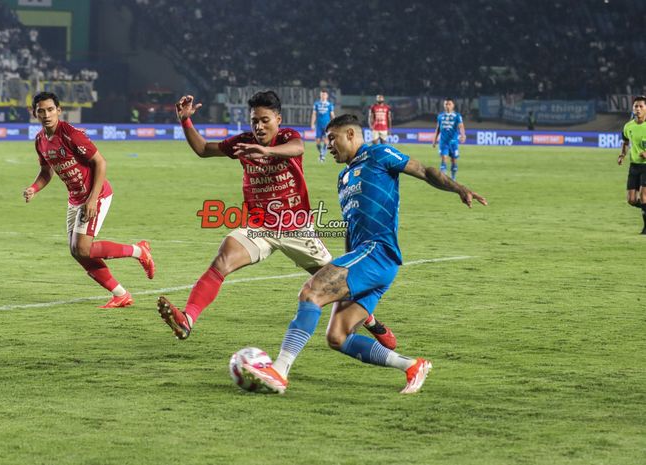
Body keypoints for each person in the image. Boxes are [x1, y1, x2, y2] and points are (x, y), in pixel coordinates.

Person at [242, 114, 487, 394]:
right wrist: (346, 273)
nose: (328, 145)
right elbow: (351, 229)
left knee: (311, 292)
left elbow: (425, 171)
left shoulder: (379, 154)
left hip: (378, 252)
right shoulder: (343, 177)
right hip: (364, 259)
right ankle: (412, 365)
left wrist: (458, 188)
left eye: (332, 138)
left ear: (350, 134)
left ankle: (279, 371)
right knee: (338, 336)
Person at [157, 91, 396, 348]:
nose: (259, 126)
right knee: (222, 261)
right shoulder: (243, 142)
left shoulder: (288, 137)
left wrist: (264, 149)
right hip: (260, 226)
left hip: (298, 230)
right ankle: (187, 319)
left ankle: (372, 322)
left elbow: (298, 148)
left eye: (265, 120)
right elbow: (204, 149)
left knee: (338, 285)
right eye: (254, 121)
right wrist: (185, 121)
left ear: (278, 119)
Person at [23, 92, 155, 308]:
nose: (46, 114)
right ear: (34, 113)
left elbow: (100, 163)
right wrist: (33, 188)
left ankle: (140, 251)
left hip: (96, 194)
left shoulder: (70, 133)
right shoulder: (40, 141)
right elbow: (46, 172)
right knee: (77, 252)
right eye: (41, 111)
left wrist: (93, 200)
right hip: (75, 198)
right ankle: (121, 294)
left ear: (59, 110)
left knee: (83, 248)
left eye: (50, 109)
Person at [617, 95, 646, 234]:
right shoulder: (628, 126)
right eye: (636, 106)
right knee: (631, 200)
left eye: (641, 106)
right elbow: (626, 142)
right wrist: (622, 155)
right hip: (634, 165)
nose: (638, 109)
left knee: (644, 196)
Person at [432, 98, 466, 181]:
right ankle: (443, 179)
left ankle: (453, 178)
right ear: (444, 105)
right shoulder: (440, 116)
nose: (447, 106)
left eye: (449, 104)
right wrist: (434, 140)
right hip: (443, 142)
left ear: (453, 105)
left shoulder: (457, 116)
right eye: (446, 104)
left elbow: (461, 126)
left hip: (453, 142)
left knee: (454, 160)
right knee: (444, 158)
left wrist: (463, 135)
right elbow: (438, 129)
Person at [310, 89, 335, 162]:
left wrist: (335, 123)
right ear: (320, 95)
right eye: (322, 94)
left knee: (326, 140)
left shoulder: (330, 105)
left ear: (327, 96)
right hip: (318, 125)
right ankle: (321, 153)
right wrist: (312, 124)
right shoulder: (316, 104)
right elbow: (314, 114)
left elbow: (332, 115)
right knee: (317, 141)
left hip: (327, 125)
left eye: (324, 94)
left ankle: (323, 155)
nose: (323, 96)